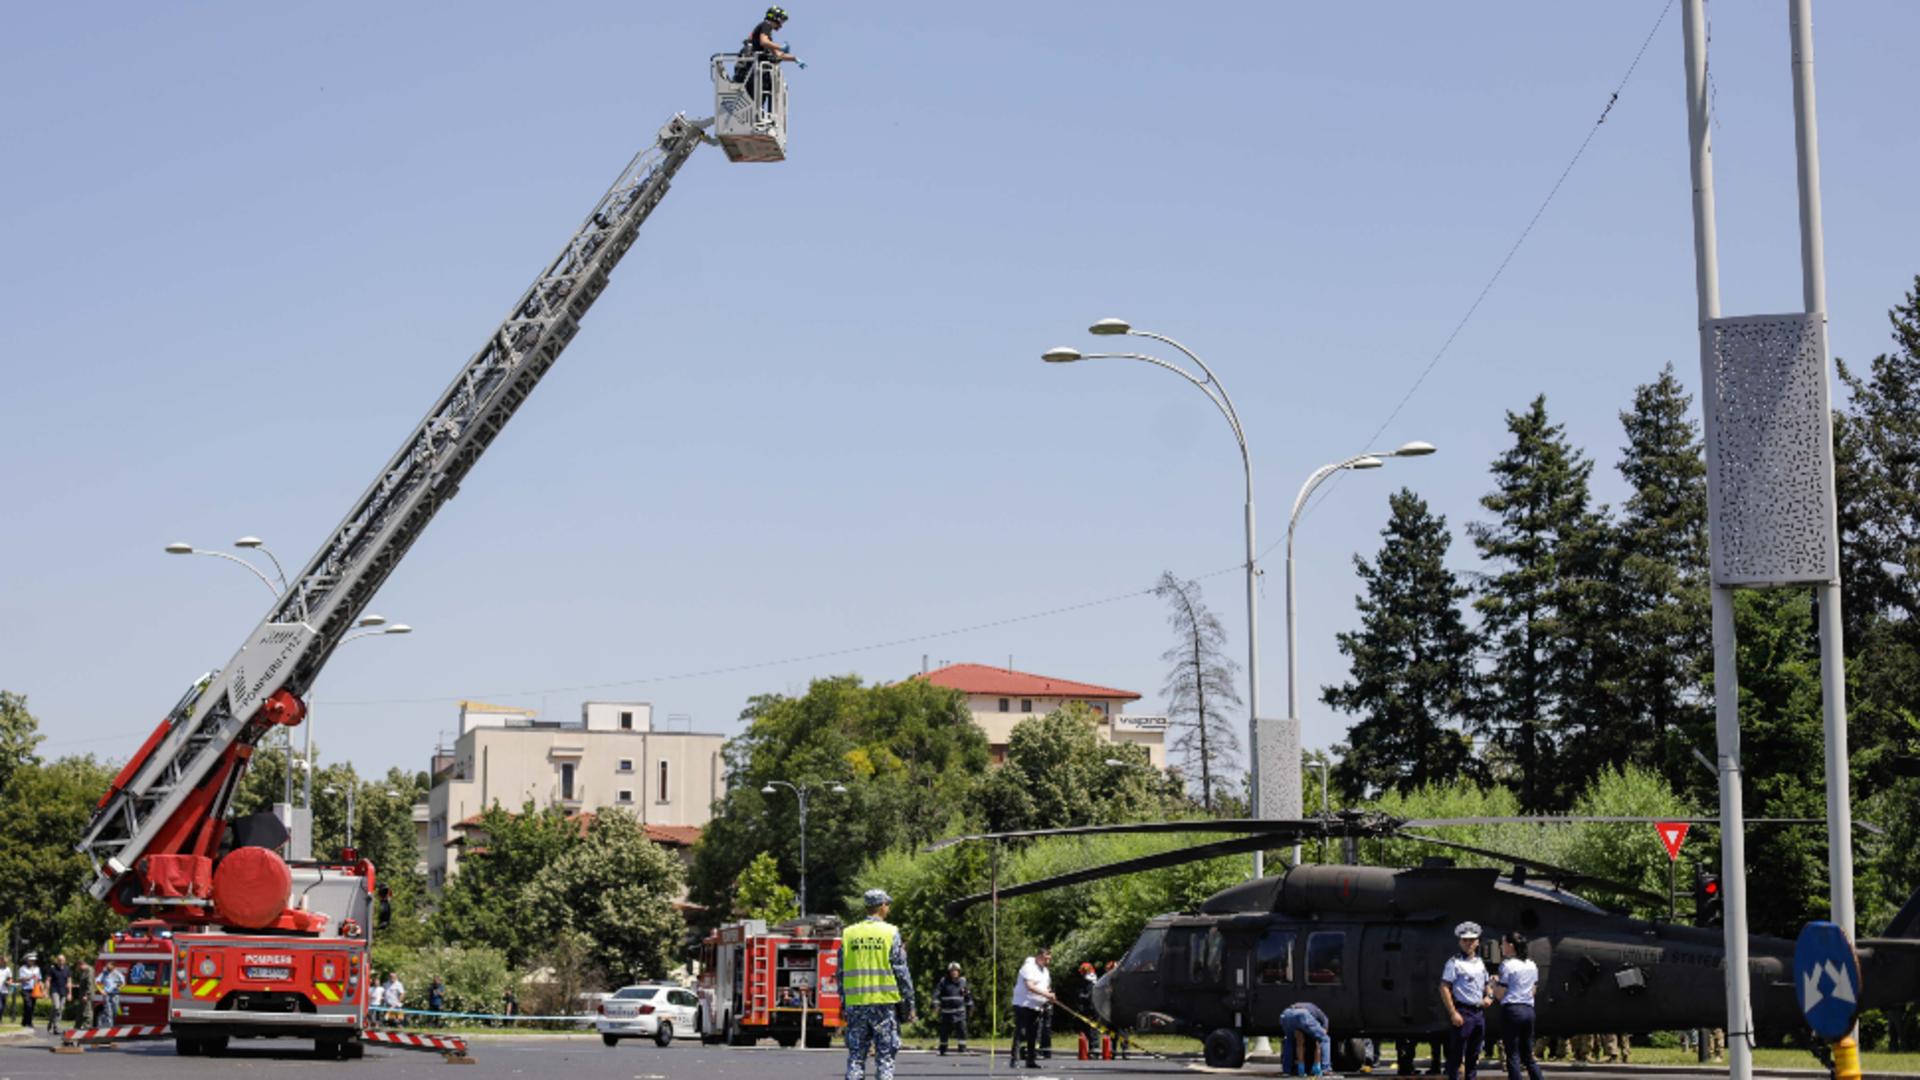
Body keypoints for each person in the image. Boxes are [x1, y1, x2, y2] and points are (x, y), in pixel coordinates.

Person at [841, 888, 914, 1080]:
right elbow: (901, 971)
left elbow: (840, 972)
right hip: (884, 1005)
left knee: (856, 1057)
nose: (888, 908)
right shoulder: (890, 932)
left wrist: (844, 1003)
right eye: (887, 904)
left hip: (856, 1004)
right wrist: (909, 1003)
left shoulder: (848, 934)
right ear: (881, 906)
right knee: (885, 1058)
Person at [1439, 922, 1491, 1080]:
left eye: (1472, 940)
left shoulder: (1481, 963)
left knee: (1474, 1055)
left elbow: (1488, 983)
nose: (1469, 943)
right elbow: (1444, 987)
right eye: (1465, 940)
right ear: (1460, 942)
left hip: (1478, 1013)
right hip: (1463, 1012)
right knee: (1456, 1055)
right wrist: (1453, 1012)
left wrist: (1489, 996)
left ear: (1477, 942)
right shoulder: (1454, 963)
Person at [1491, 932, 1542, 1080]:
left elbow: (1500, 994)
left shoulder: (1507, 965)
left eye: (1503, 943)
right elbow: (1533, 990)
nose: (1501, 946)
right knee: (1528, 1055)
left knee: (1512, 1054)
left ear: (1510, 946)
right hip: (1528, 1009)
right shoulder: (1531, 964)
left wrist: (1493, 985)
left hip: (1512, 1010)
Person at [1010, 946, 1056, 1068]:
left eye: (1049, 959)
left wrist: (1049, 996)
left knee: (1033, 1034)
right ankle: (1014, 1059)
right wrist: (1046, 994)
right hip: (1023, 1004)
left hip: (1036, 1006)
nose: (1048, 961)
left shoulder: (1045, 971)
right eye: (1046, 958)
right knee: (1021, 1031)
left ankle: (1030, 1060)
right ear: (1039, 956)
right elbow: (1029, 986)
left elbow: (1045, 987)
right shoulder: (1028, 967)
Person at [1280, 1001, 1333, 1076]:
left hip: (1286, 1014)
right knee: (1325, 1039)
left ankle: (1287, 1070)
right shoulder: (1320, 1014)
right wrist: (1323, 1032)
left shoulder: (1310, 1007)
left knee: (1289, 1040)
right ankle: (1326, 1069)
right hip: (1302, 1014)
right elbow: (1324, 1026)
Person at [934, 961, 972, 1055]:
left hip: (960, 1012)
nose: (954, 972)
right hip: (946, 1012)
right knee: (944, 1031)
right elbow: (936, 994)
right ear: (949, 972)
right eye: (952, 971)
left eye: (956, 971)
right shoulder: (944, 982)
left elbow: (968, 996)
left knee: (962, 1030)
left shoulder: (963, 982)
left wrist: (970, 1006)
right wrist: (936, 1005)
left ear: (959, 972)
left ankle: (962, 1049)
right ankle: (943, 1049)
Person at [45, 956, 71, 1034]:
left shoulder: (67, 969)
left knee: (61, 1009)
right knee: (56, 1007)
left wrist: (70, 993)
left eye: (62, 960)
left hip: (63, 991)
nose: (61, 961)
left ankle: (53, 1023)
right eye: (59, 960)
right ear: (57, 960)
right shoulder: (53, 969)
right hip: (54, 990)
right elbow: (48, 980)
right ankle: (54, 1026)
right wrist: (46, 991)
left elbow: (69, 981)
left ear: (65, 961)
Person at [96, 963, 125, 1028]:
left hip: (115, 994)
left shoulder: (118, 974)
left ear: (114, 967)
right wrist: (101, 990)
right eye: (107, 968)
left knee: (115, 1010)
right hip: (107, 994)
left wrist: (120, 987)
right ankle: (110, 1026)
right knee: (108, 1011)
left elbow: (123, 982)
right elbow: (97, 982)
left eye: (109, 968)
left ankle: (112, 1023)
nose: (108, 969)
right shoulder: (104, 973)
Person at [16, 954, 41, 1030]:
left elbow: (39, 979)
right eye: (30, 960)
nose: (32, 962)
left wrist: (40, 987)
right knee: (28, 1005)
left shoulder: (37, 969)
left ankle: (24, 1021)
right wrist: (30, 977)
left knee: (32, 1006)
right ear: (27, 960)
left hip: (34, 990)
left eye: (33, 960)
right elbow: (21, 979)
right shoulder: (22, 969)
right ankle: (29, 1022)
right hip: (26, 989)